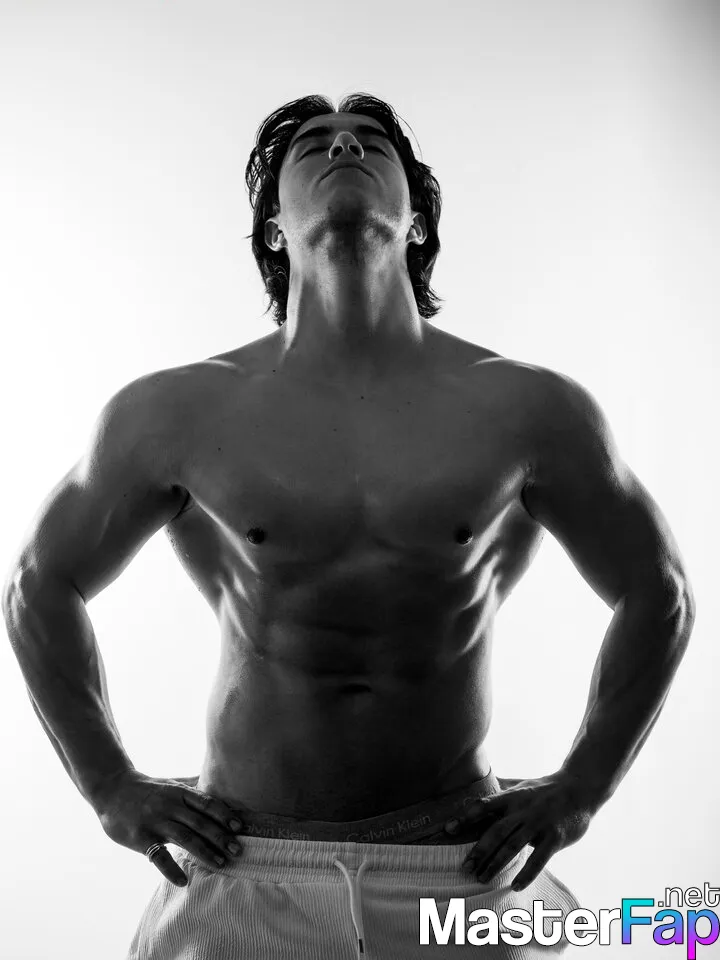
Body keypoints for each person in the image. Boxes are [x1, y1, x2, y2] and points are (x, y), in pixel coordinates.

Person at [2, 93, 695, 959]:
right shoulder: (173, 411)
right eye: (313, 145)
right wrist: (108, 784)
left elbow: (657, 591)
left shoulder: (530, 409)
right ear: (272, 229)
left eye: (371, 141)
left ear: (418, 221)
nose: (342, 145)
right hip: (246, 867)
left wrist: (584, 786)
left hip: (464, 869)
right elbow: (39, 584)